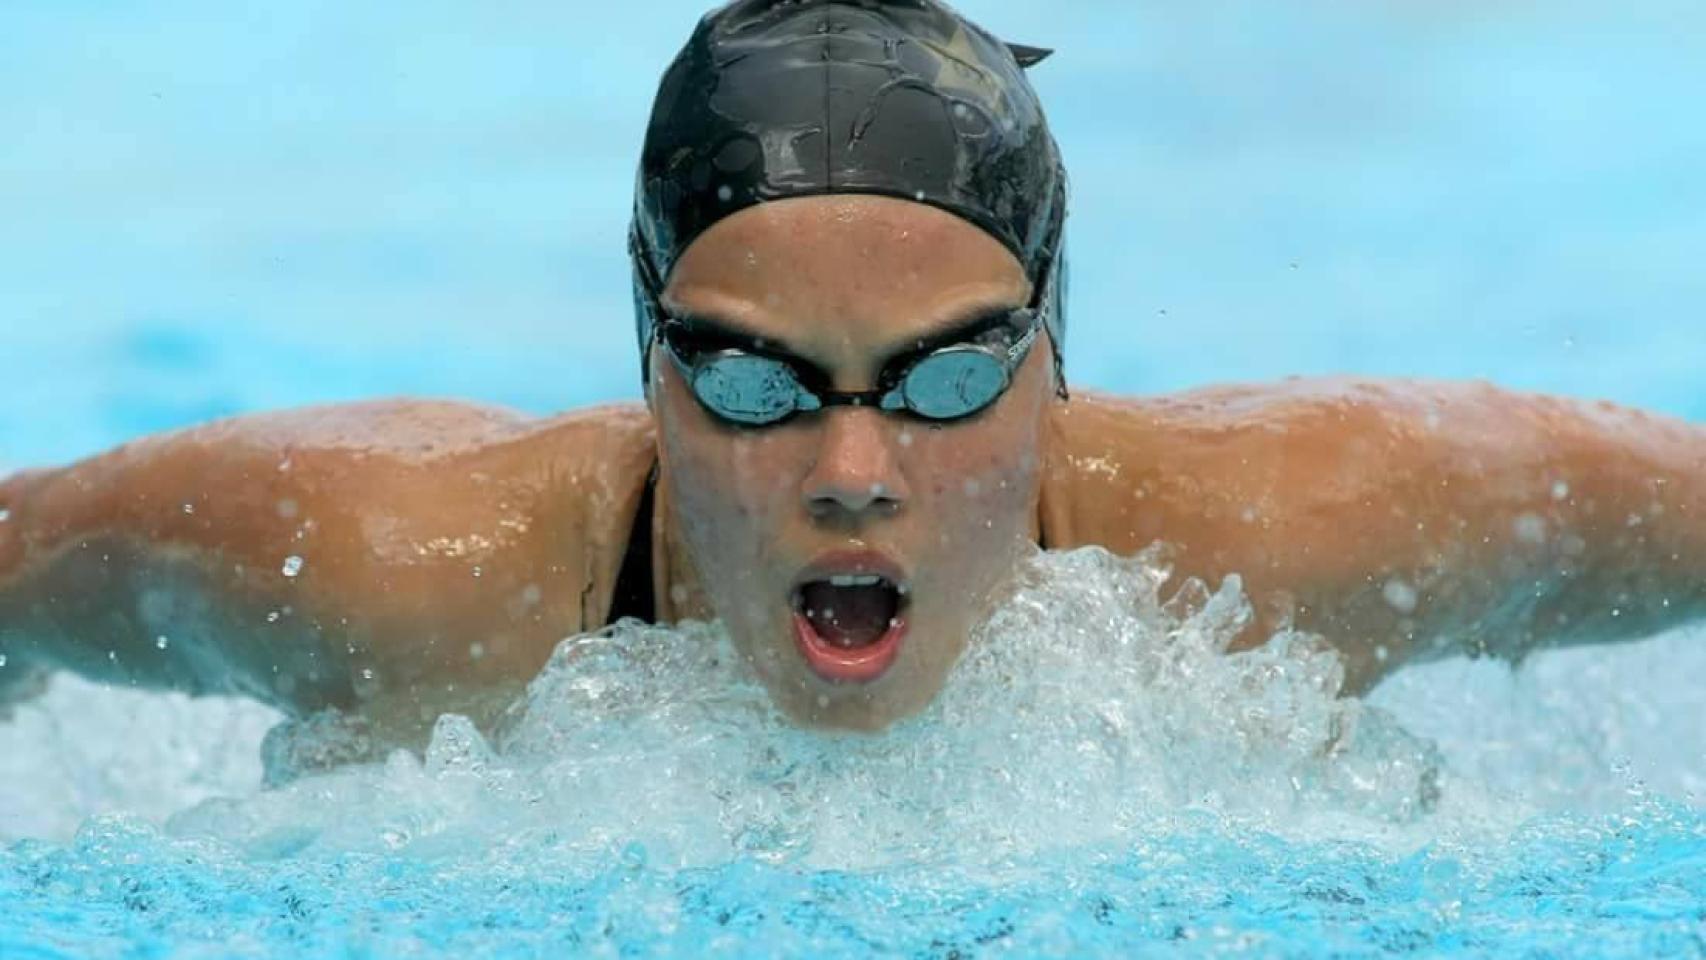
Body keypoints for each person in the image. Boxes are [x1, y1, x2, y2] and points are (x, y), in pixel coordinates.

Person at [1, 0, 1701, 747]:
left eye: (945, 381)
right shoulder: (394, 570)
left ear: (1053, 364)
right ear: (649, 373)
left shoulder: (1291, 538)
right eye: (755, 385)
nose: (853, 465)